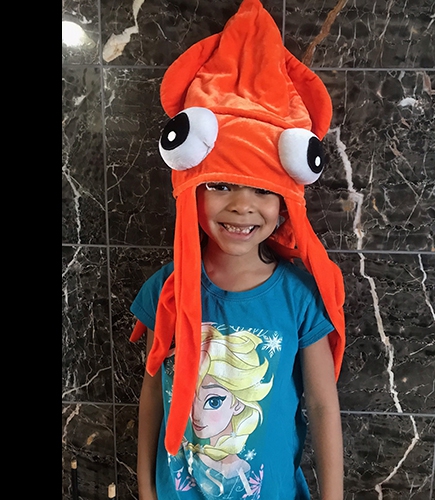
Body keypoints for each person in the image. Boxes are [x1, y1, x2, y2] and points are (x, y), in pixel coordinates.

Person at [129, 1, 346, 499]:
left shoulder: (297, 298)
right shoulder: (166, 289)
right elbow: (152, 392)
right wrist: (145, 485)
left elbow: (322, 404)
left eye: (262, 190)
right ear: (192, 188)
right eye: (222, 185)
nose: (242, 206)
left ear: (286, 202)